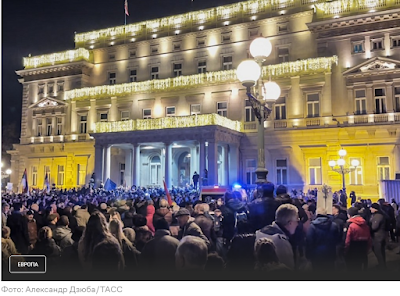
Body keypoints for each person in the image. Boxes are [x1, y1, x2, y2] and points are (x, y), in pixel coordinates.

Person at [255, 204, 299, 270]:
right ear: (290, 223)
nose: (297, 224)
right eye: (297, 220)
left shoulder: (260, 232)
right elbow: (289, 268)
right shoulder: (281, 242)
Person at [344, 207, 371, 271]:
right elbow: (369, 237)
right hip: (363, 246)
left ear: (349, 215)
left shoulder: (350, 224)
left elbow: (347, 239)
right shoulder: (365, 223)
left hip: (353, 248)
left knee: (351, 267)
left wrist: (345, 249)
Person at [369, 203, 387, 270]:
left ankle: (382, 266)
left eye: (371, 207)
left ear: (375, 208)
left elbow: (374, 227)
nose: (370, 209)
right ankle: (382, 264)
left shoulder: (378, 216)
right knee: (381, 251)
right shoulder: (377, 215)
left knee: (378, 251)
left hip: (378, 237)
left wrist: (369, 228)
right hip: (380, 236)